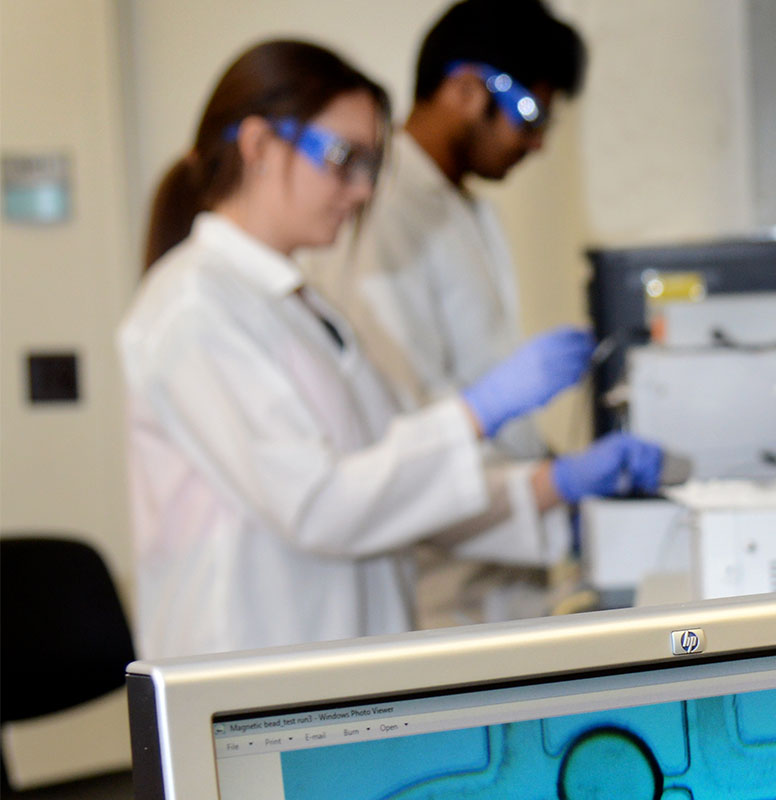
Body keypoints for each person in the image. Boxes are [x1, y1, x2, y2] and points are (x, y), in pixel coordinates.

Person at [120, 39, 661, 660]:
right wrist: (476, 413)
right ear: (260, 146)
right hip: (245, 664)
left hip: (337, 657)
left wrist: (552, 484)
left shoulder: (306, 307)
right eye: (344, 159)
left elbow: (398, 490)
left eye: (371, 167)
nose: (359, 192)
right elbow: (318, 505)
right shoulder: (193, 310)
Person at [306, 0, 587, 627]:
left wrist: (552, 477)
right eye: (530, 113)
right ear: (466, 89)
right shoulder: (385, 207)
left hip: (502, 556)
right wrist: (549, 485)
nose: (538, 143)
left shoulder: (461, 207)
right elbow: (406, 422)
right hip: (447, 584)